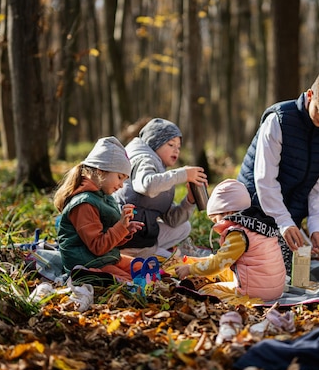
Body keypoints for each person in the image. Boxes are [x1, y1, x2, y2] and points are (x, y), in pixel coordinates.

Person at [237, 66, 319, 276]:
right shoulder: (278, 121)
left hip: (289, 215)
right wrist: (283, 222)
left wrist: (317, 226)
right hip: (253, 209)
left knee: (298, 273)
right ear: (310, 95)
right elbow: (264, 180)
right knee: (263, 271)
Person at [174, 179, 286, 302]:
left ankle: (231, 294)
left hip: (254, 293)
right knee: (225, 271)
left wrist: (190, 269)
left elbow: (219, 263)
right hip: (275, 289)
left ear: (227, 212)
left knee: (206, 290)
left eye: (215, 220)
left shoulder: (238, 233)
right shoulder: (257, 224)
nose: (216, 226)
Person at [113, 118, 208, 259]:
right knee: (178, 261)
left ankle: (158, 253)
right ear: (154, 142)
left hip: (142, 235)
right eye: (171, 144)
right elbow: (147, 186)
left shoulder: (160, 171)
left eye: (179, 147)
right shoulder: (144, 159)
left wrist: (189, 200)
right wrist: (183, 174)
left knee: (184, 227)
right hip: (123, 237)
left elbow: (172, 220)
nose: (176, 150)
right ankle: (156, 255)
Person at [53, 136, 144, 282]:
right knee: (131, 283)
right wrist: (120, 227)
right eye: (120, 177)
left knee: (143, 267)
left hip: (103, 258)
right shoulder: (84, 204)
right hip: (88, 263)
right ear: (101, 171)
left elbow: (106, 239)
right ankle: (87, 277)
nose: (121, 185)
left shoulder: (104, 197)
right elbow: (98, 246)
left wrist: (125, 228)